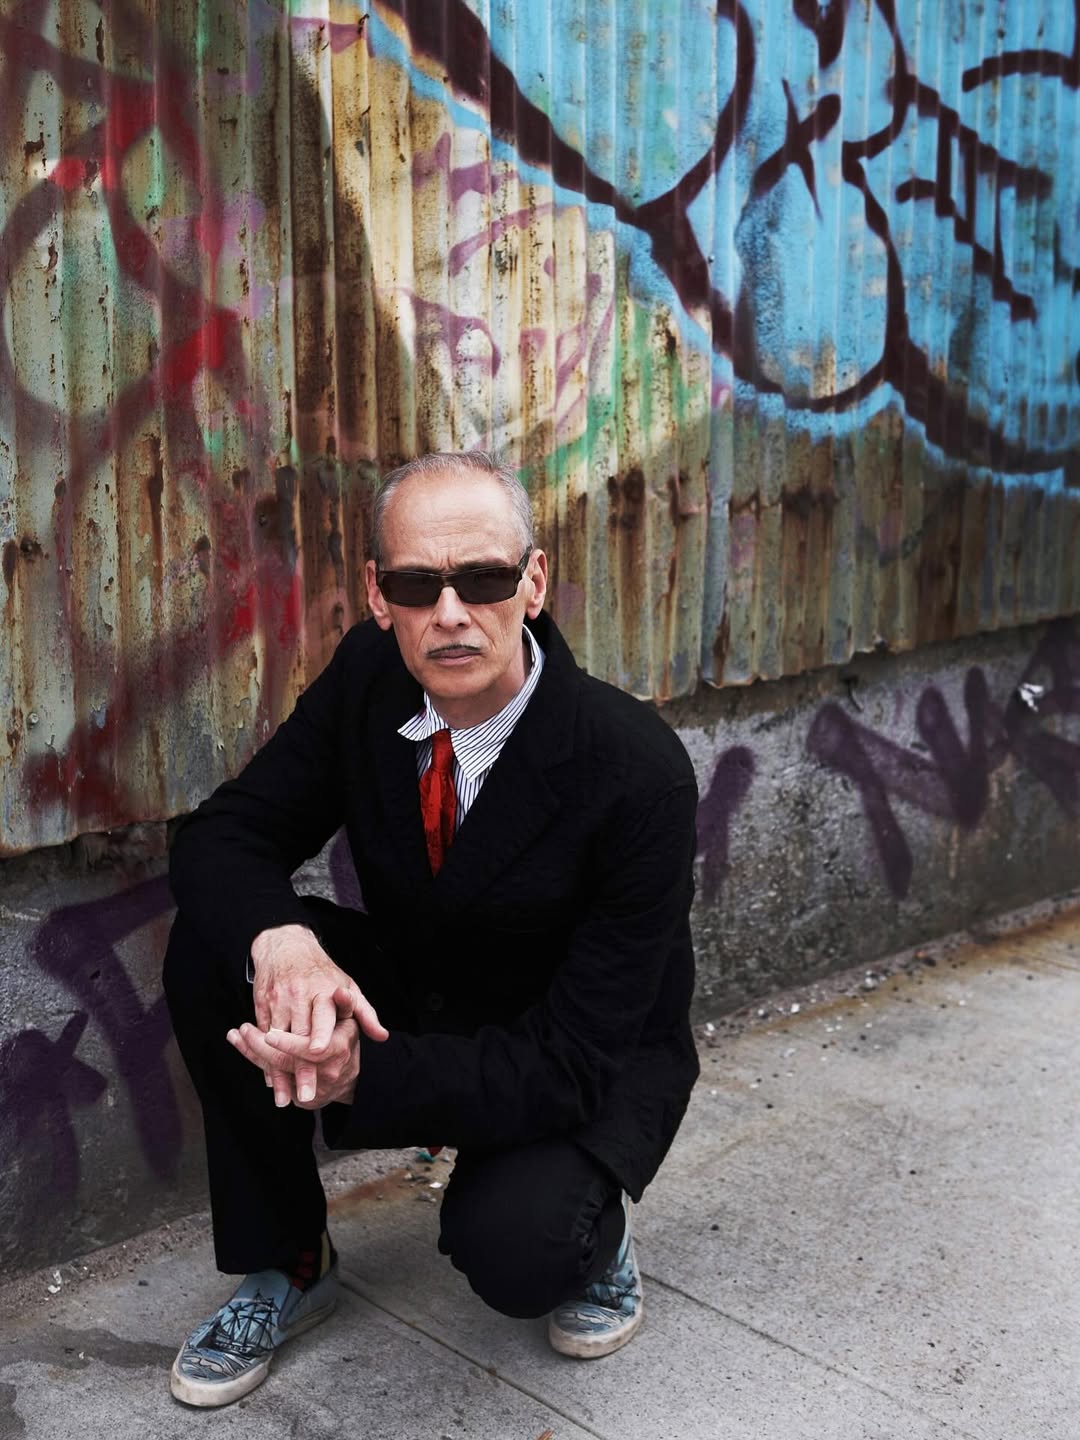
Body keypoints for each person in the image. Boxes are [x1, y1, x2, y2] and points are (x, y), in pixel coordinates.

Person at [163, 451, 699, 1408]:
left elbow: (576, 1057)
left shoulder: (635, 769)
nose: (451, 614)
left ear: (534, 582)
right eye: (418, 585)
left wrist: (361, 1075)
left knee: (521, 1251)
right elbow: (227, 834)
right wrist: (283, 943)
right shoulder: (370, 677)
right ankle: (292, 1261)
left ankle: (598, 1238)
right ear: (379, 595)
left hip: (571, 1053)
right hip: (429, 986)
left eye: (484, 579)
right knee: (222, 944)